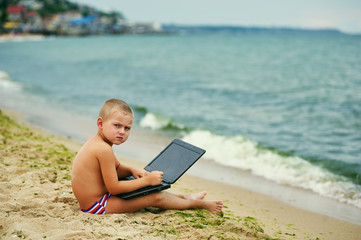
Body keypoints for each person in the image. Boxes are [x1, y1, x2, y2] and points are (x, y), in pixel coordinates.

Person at [71, 98, 223, 215]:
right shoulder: (103, 149)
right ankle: (199, 205)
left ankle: (184, 197)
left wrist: (132, 171)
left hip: (96, 198)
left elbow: (116, 168)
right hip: (96, 205)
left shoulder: (96, 141)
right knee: (154, 198)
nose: (122, 132)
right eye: (117, 125)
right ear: (100, 123)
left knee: (148, 190)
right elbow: (114, 188)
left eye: (127, 128)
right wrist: (146, 181)